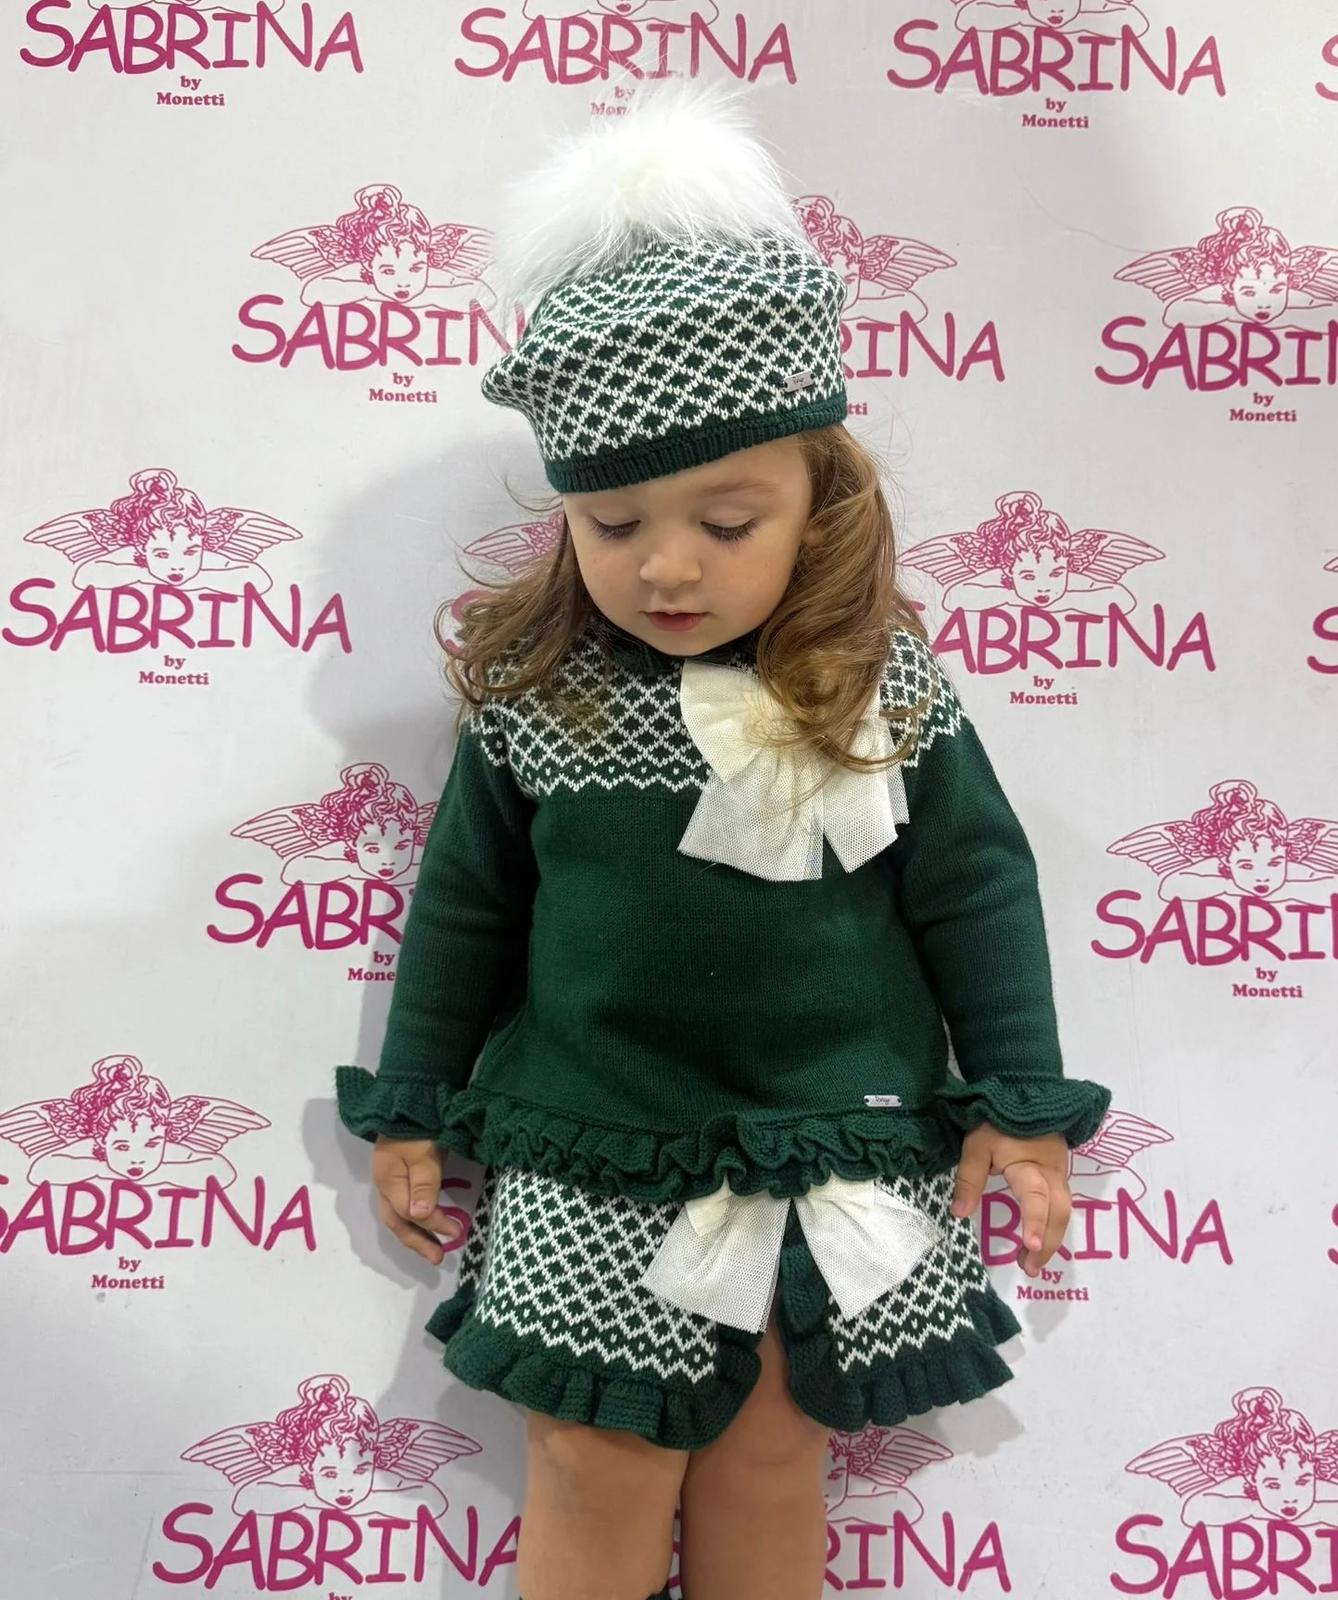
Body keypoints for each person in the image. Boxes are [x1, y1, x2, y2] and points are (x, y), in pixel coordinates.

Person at [334, 79, 1110, 1600]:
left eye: (726, 521)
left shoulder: (883, 688)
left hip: (828, 1137)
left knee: (770, 1448)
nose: (667, 568)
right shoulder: (543, 704)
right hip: (594, 1140)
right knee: (593, 1455)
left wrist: (1019, 1107)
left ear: (821, 499)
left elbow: (976, 888)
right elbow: (467, 907)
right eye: (614, 526)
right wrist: (413, 1101)